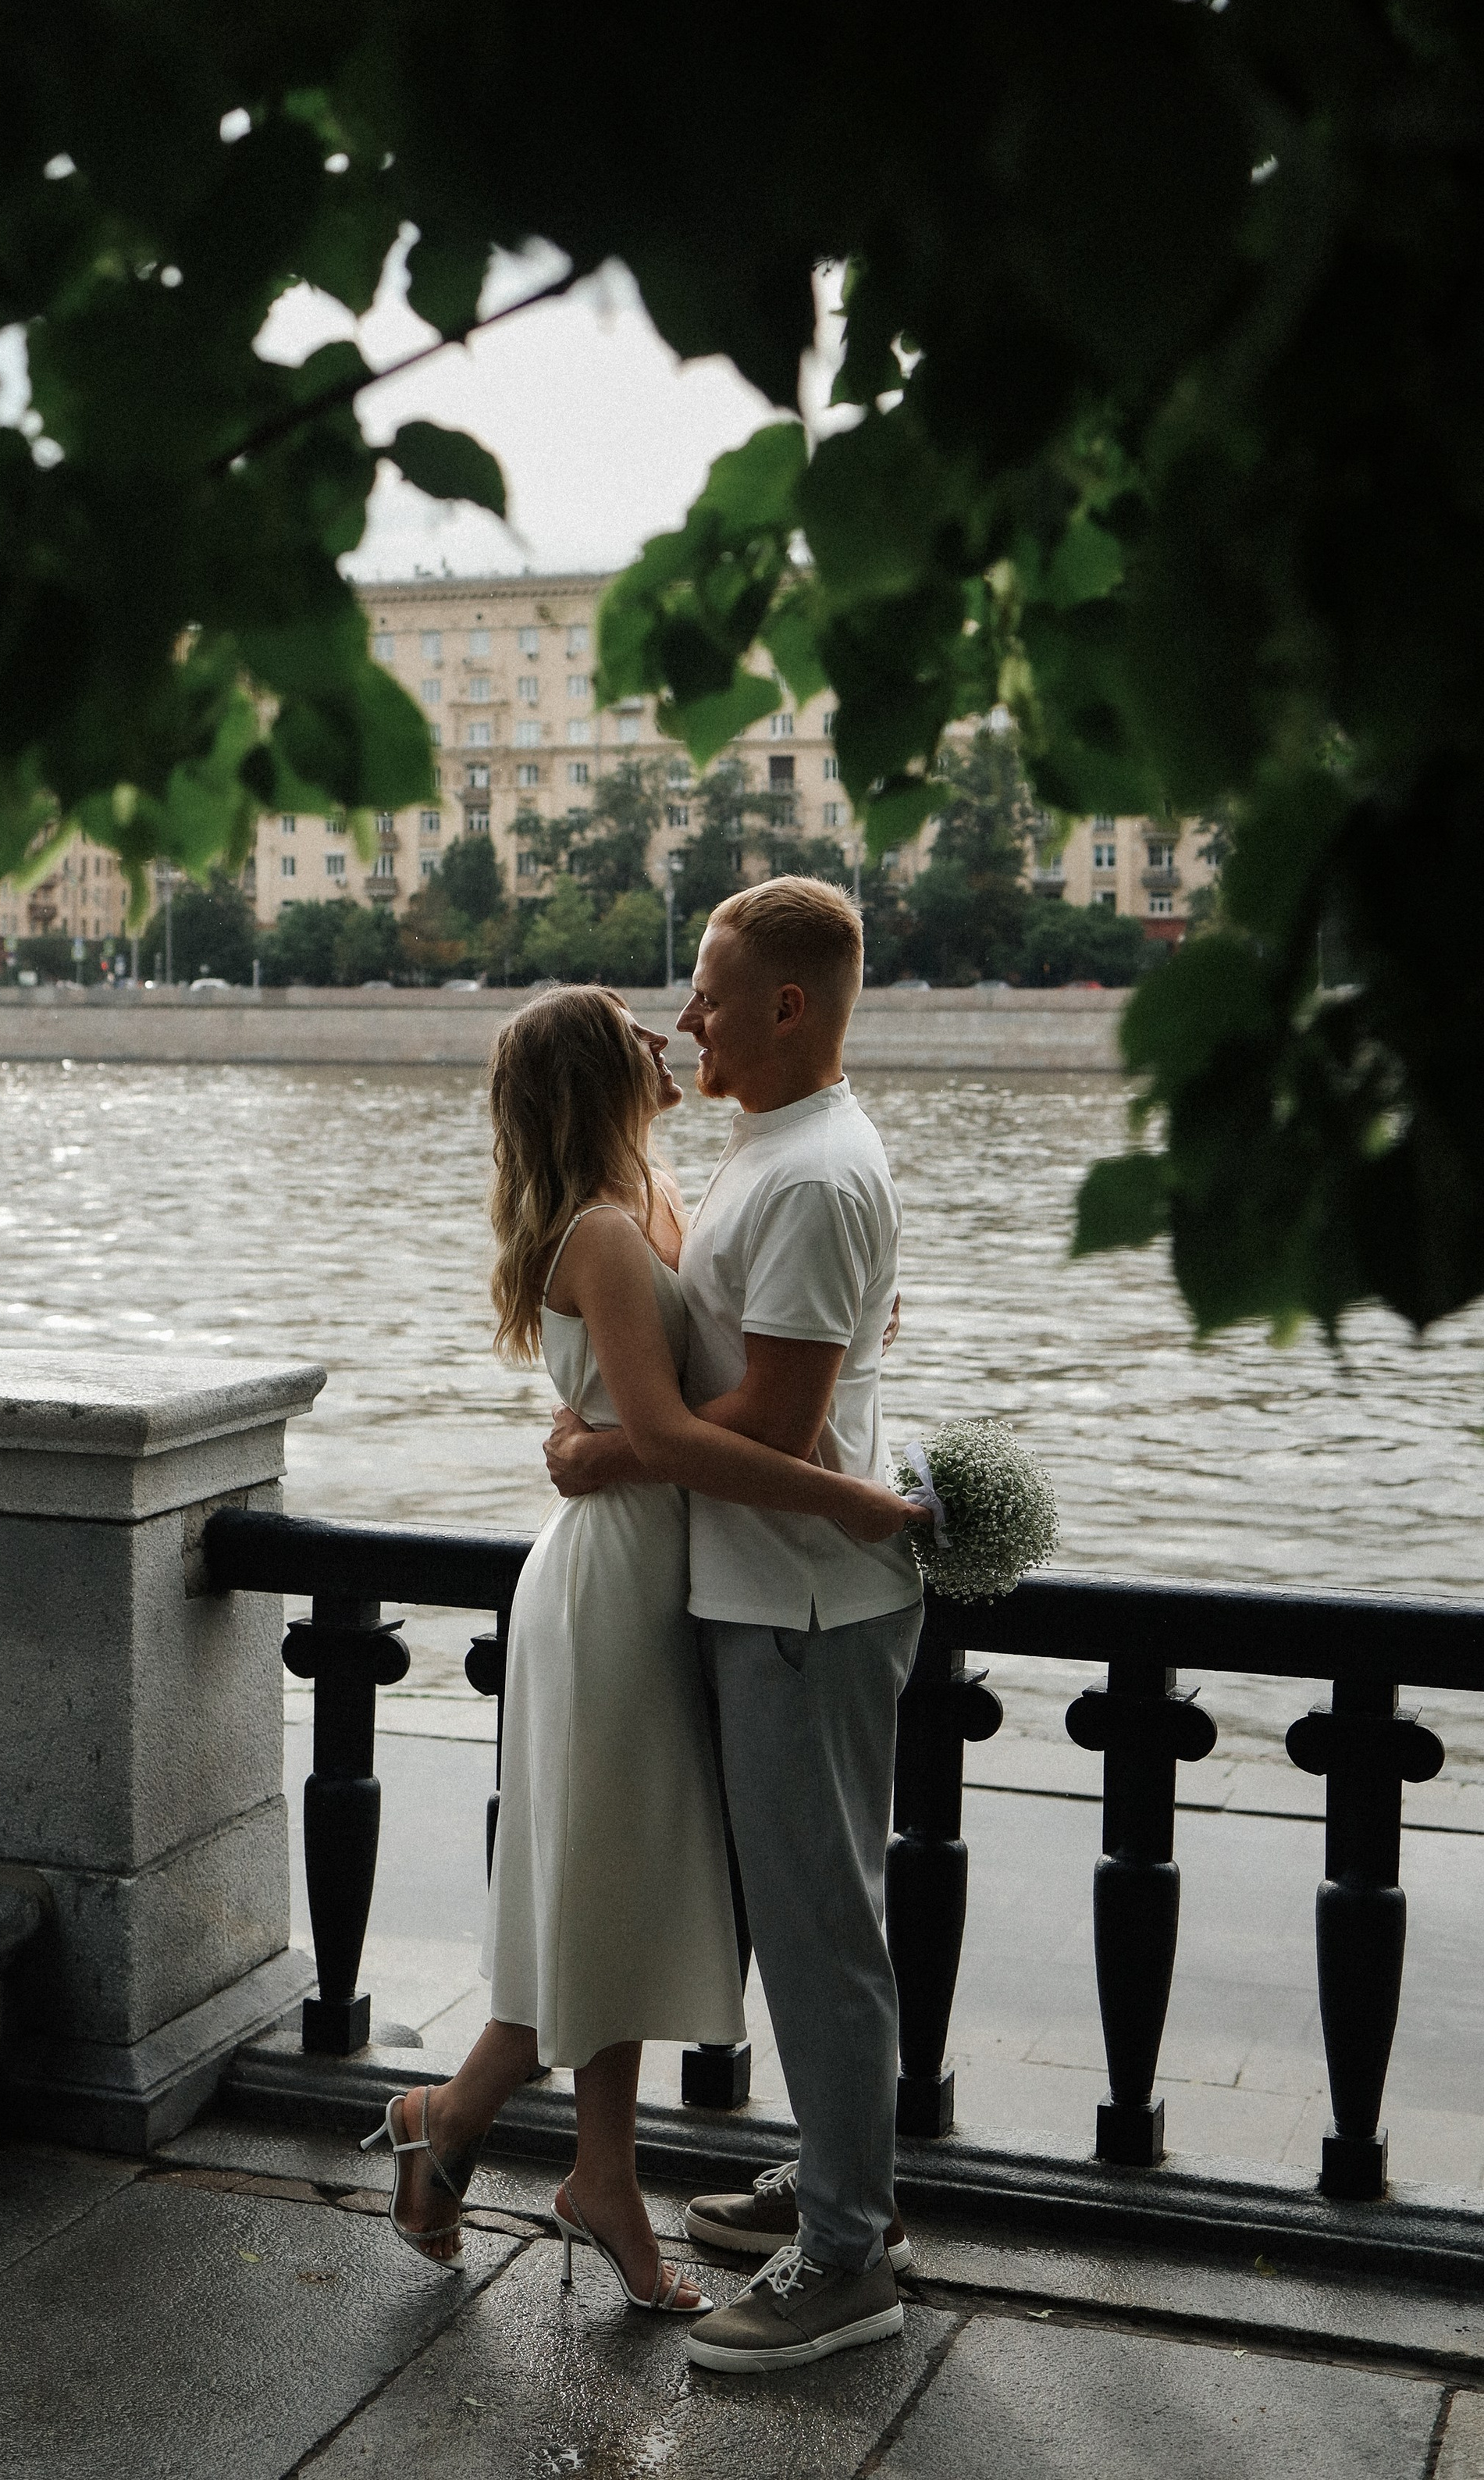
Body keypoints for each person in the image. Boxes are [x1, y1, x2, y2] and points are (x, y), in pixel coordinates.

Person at [364, 982, 913, 2317]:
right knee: (597, 1893)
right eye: (634, 1030)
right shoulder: (606, 1234)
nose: (668, 1032)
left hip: (664, 1567)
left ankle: (571, 2164)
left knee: (607, 1890)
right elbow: (663, 1434)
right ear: (593, 1078)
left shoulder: (670, 1190)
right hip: (618, 1583)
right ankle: (456, 2121)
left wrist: (843, 1342)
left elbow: (748, 1352)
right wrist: (856, 1504)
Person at [545, 876, 923, 2375]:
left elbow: (774, 1412)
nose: (685, 1015)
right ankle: (836, 2182)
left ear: (786, 1005)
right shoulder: (778, 1155)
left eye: (706, 990)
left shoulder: (814, 1172)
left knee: (823, 1928)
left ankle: (846, 2253)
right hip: (766, 1589)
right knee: (805, 1909)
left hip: (803, 1599)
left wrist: (609, 1447)